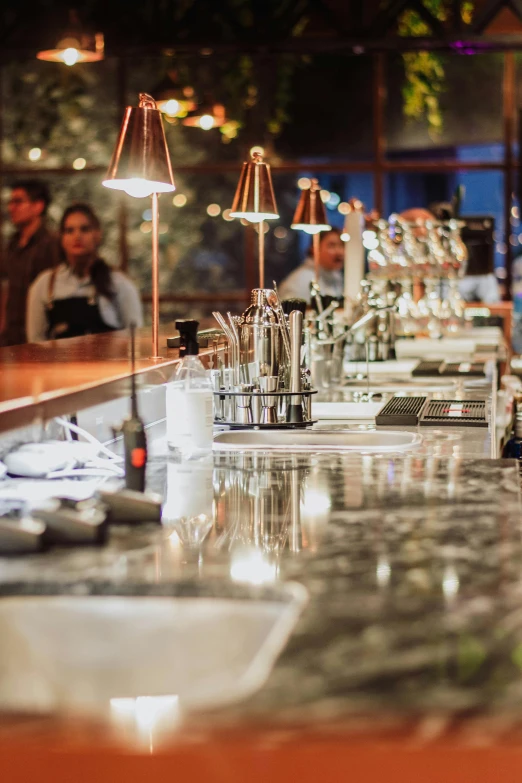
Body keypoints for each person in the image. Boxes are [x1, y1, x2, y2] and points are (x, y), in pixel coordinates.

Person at [26, 203, 143, 342]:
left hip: (107, 363)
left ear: (98, 234)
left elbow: (136, 338)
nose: (77, 236)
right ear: (62, 238)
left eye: (84, 229)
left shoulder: (119, 283)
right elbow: (35, 341)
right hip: (58, 363)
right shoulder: (44, 284)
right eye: (69, 230)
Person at [0, 179, 61, 345]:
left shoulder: (52, 243)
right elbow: (6, 287)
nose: (11, 208)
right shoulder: (13, 243)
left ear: (38, 206)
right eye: (11, 202)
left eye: (18, 202)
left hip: (40, 335)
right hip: (10, 335)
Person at [278, 228, 344, 303]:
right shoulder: (302, 280)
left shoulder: (335, 276)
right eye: (332, 246)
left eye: (341, 245)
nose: (339, 252)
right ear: (314, 248)